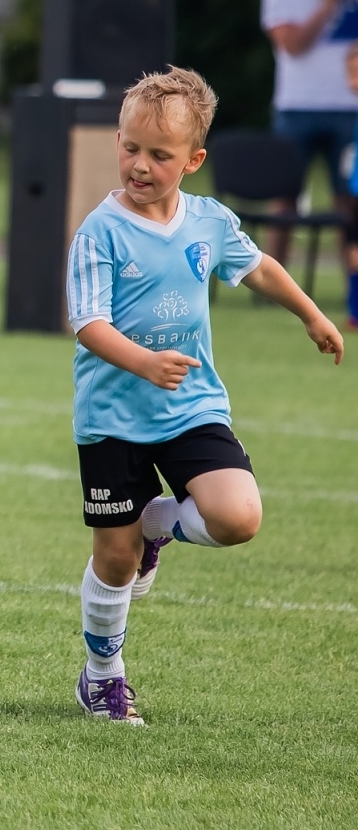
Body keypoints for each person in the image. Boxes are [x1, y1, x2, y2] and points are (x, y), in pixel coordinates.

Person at [65, 67, 343, 725]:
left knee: (239, 516)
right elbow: (88, 324)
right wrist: (143, 361)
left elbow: (260, 266)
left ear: (193, 160)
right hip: (112, 419)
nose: (140, 164)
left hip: (191, 406)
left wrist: (310, 312)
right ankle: (102, 676)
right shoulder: (99, 232)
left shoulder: (209, 221)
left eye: (159, 155)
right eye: (131, 147)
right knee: (114, 556)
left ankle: (158, 524)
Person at [260, 0, 358, 320]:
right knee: (284, 198)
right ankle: (270, 283)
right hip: (296, 108)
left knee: (348, 202)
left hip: (348, 110)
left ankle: (350, 288)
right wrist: (326, 6)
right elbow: (293, 45)